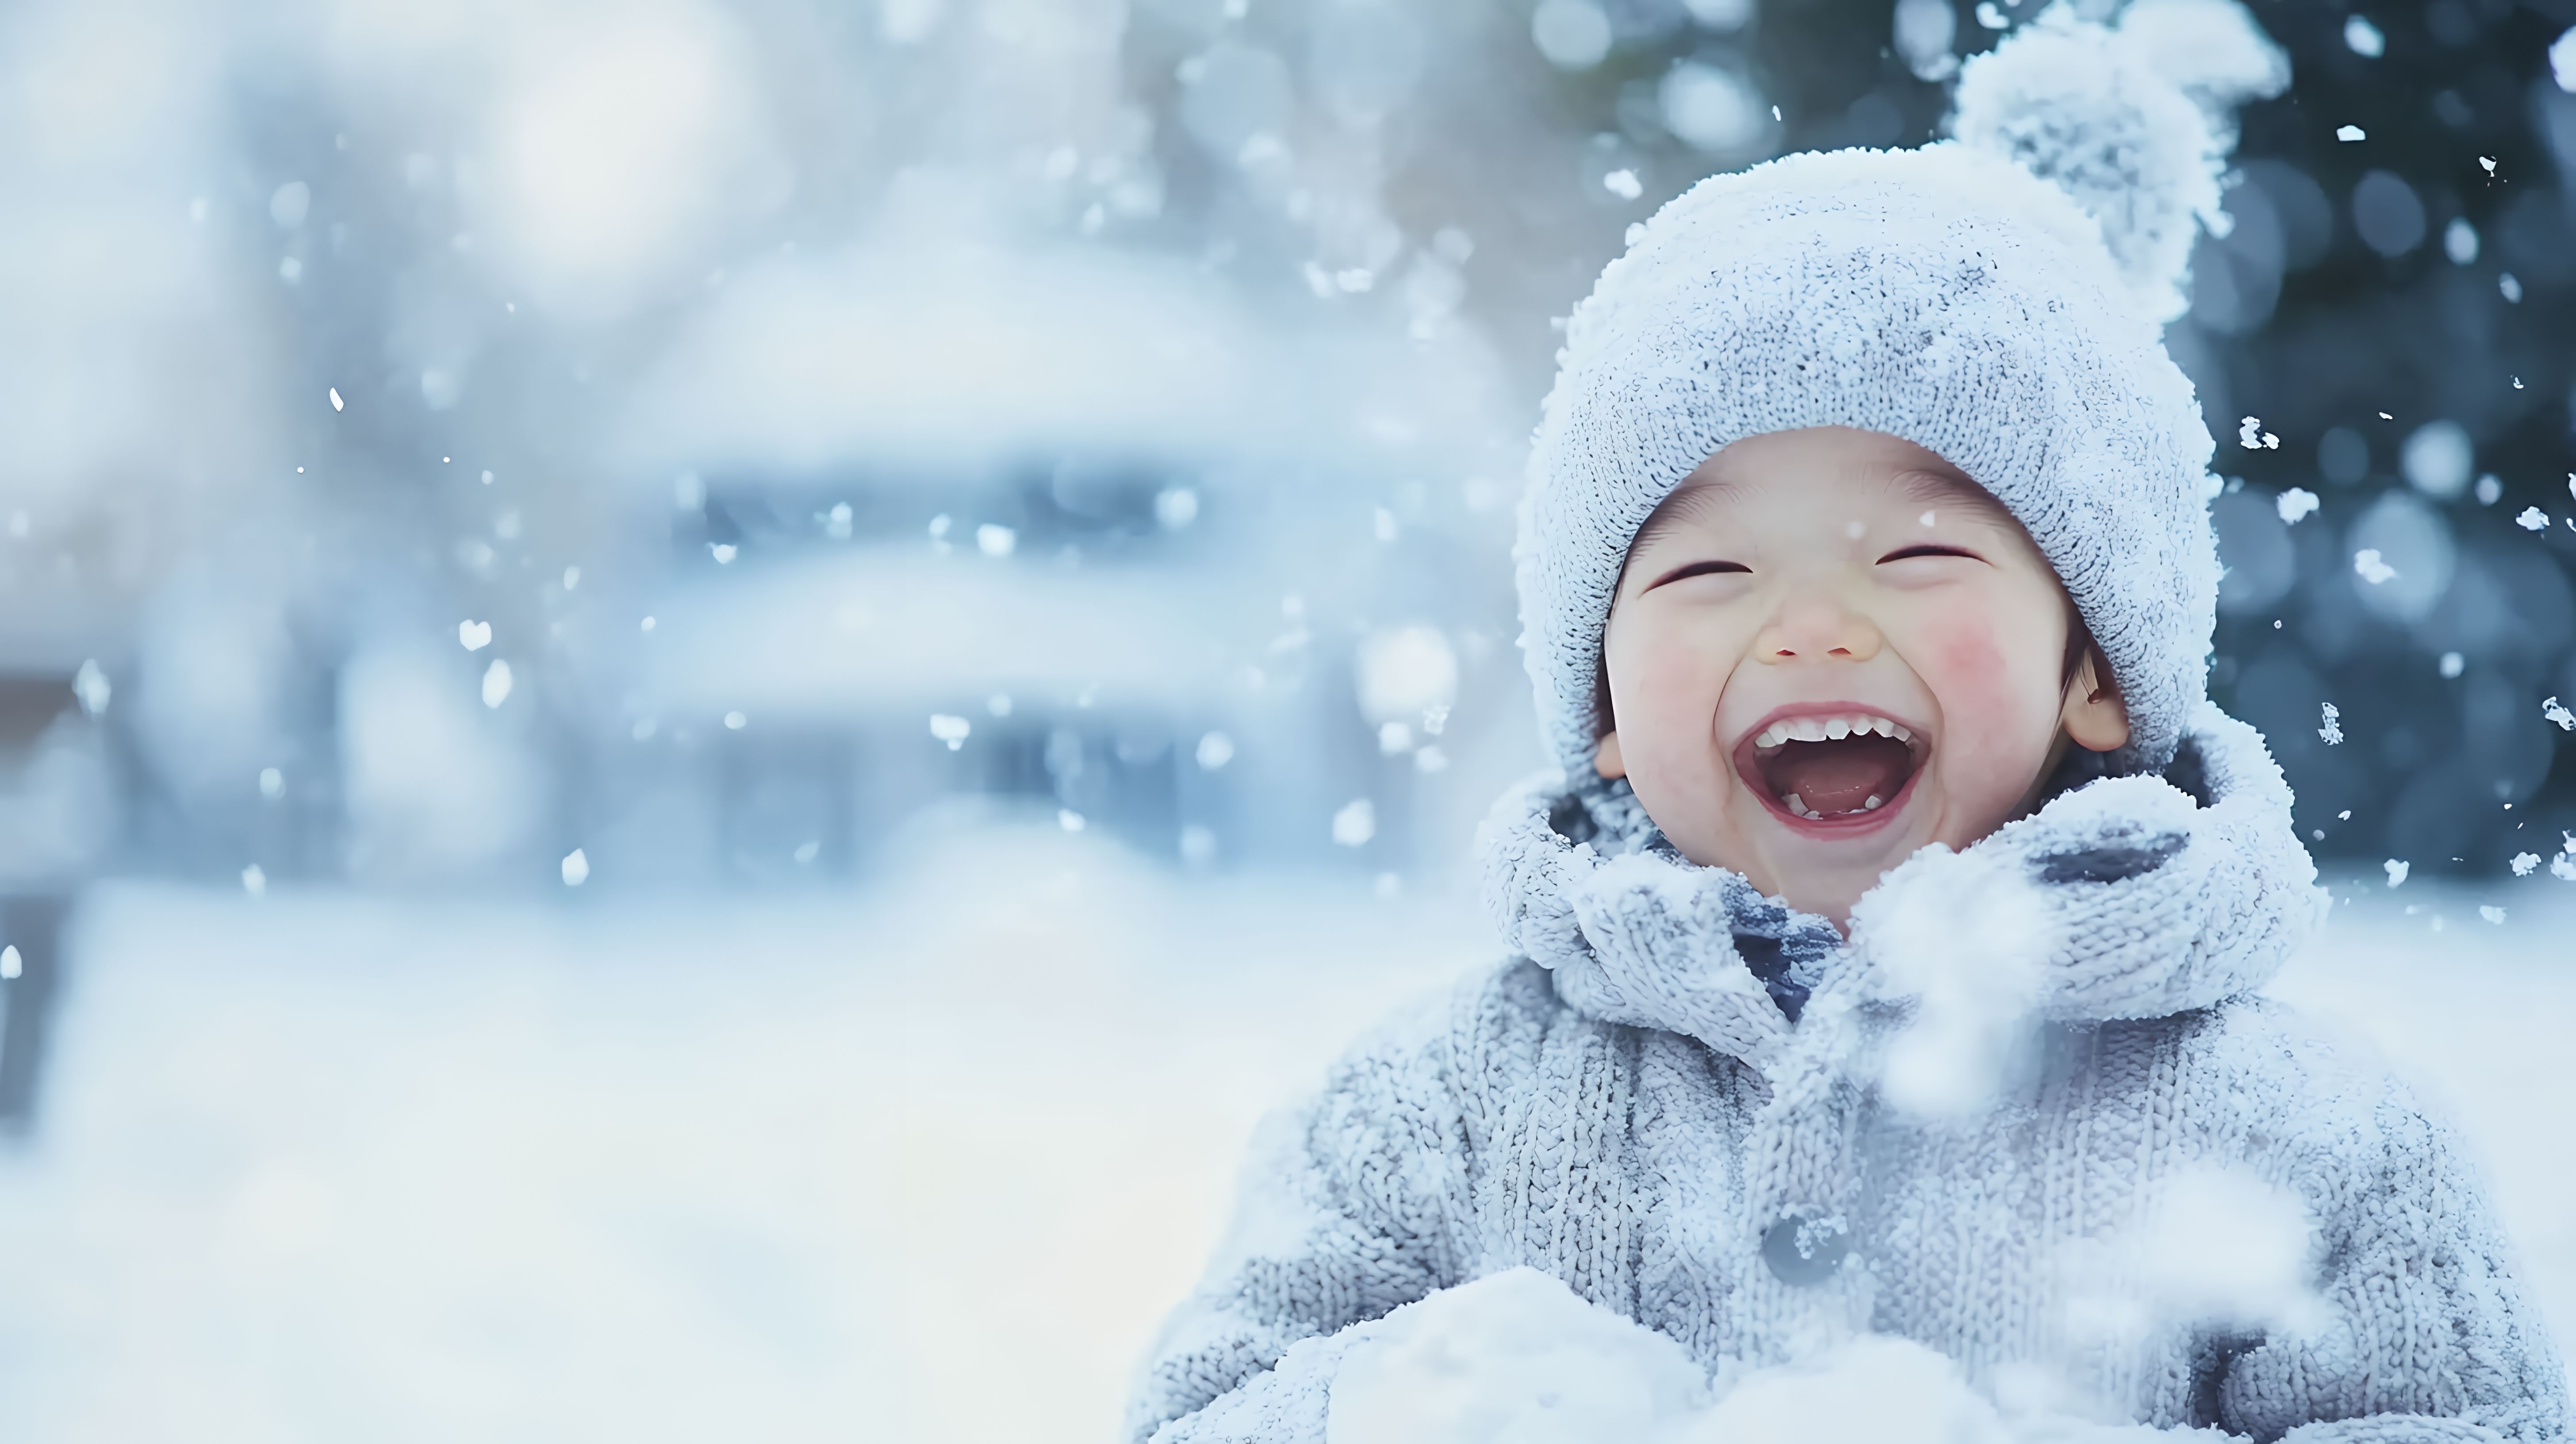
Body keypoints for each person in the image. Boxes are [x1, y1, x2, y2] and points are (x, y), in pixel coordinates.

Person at [1123, 4, 2570, 1442]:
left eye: (1917, 555)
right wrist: (1390, 1414)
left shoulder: (2309, 1132)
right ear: (1607, 708)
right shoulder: (1436, 1108)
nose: (1810, 626)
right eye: (1708, 571)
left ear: (2101, 671)